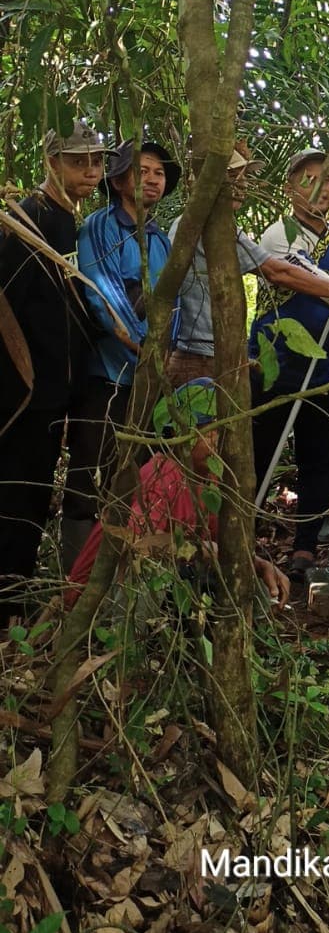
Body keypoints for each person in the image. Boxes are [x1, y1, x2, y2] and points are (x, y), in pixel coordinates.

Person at [0, 122, 105, 623]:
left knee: (39, 495)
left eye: (97, 161)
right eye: (77, 161)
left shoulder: (81, 227)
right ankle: (9, 605)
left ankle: (21, 593)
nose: (90, 172)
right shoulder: (25, 221)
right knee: (17, 493)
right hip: (25, 393)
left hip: (63, 393)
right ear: (51, 164)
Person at [62, 139, 182, 569]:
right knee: (87, 475)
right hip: (107, 375)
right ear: (117, 179)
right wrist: (145, 348)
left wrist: (165, 353)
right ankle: (74, 581)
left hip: (149, 381)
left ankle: (131, 577)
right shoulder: (100, 227)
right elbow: (103, 295)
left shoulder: (162, 242)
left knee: (140, 477)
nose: (152, 179)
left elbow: (175, 306)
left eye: (159, 173)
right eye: (143, 170)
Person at [167, 145, 329, 387]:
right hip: (197, 353)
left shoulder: (224, 228)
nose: (240, 185)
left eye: (243, 177)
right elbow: (278, 271)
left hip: (226, 353)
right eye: (230, 177)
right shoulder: (198, 224)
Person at [249, 148, 329, 581]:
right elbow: (310, 280)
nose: (321, 188)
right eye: (308, 179)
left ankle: (305, 546)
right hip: (275, 364)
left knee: (320, 457)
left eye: (327, 179)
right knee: (260, 455)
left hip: (325, 369)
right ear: (289, 187)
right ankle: (247, 542)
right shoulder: (276, 234)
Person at [68, 378, 289, 606]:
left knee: (242, 571)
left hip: (170, 582)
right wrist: (197, 548)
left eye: (224, 430)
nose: (218, 440)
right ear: (179, 432)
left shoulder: (211, 480)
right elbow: (135, 544)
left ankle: (258, 633)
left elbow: (222, 547)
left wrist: (260, 565)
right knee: (149, 571)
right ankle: (124, 642)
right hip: (98, 599)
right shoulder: (163, 475)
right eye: (209, 430)